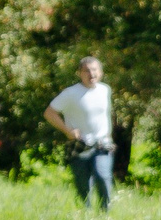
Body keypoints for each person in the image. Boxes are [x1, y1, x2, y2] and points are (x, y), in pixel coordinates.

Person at [43, 56, 117, 210]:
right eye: (87, 71)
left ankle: (105, 213)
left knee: (102, 176)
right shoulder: (70, 93)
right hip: (79, 144)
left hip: (102, 143)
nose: (91, 74)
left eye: (94, 70)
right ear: (79, 73)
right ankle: (86, 214)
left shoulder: (105, 90)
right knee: (82, 184)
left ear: (101, 72)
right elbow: (49, 113)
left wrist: (108, 135)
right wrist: (67, 130)